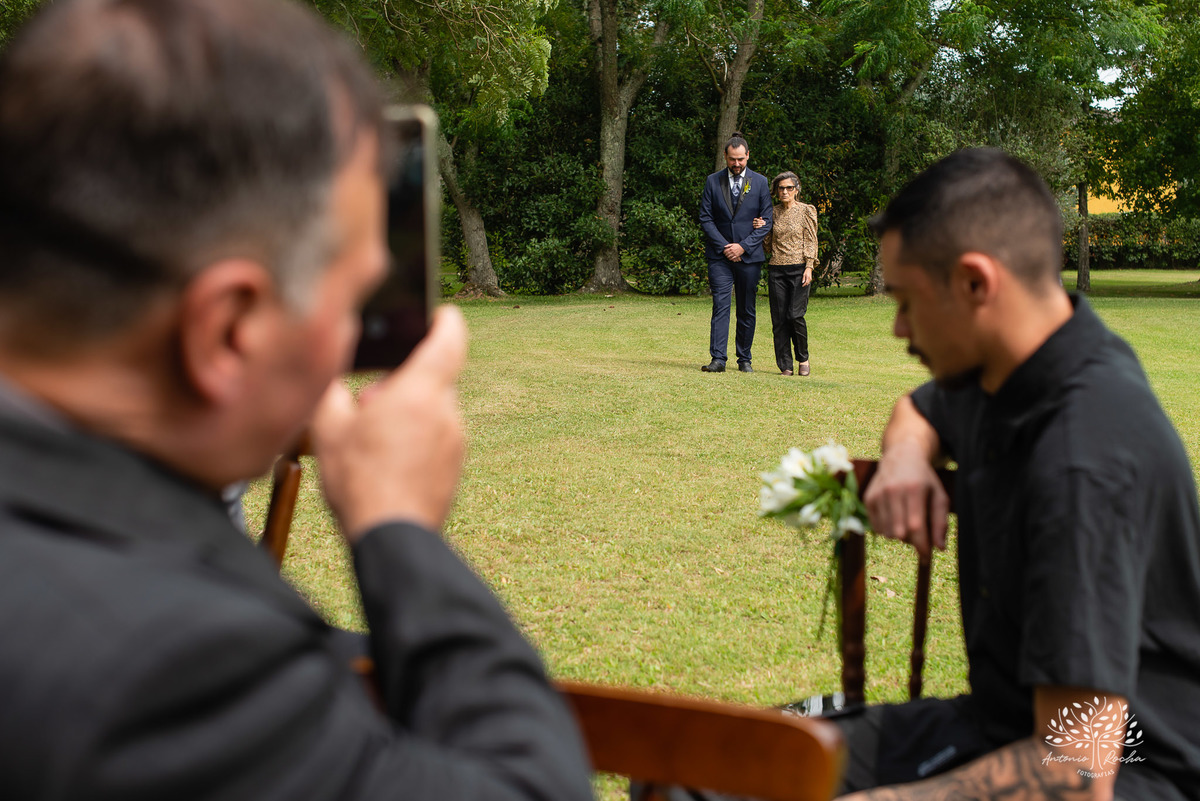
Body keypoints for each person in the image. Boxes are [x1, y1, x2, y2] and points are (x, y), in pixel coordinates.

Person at [0, 2, 593, 800]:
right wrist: (398, 528)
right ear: (230, 330)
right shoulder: (176, 668)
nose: (350, 342)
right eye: (350, 303)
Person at [839, 148, 1200, 799]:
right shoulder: (1016, 370)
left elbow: (1075, 771)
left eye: (906, 301)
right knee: (704, 766)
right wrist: (905, 452)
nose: (897, 328)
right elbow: (923, 407)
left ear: (977, 283)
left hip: (1131, 766)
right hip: (999, 727)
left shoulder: (1082, 460)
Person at [697, 132, 773, 373]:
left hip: (749, 256)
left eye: (741, 159)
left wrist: (743, 246)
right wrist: (725, 247)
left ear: (748, 156)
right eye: (732, 159)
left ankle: (745, 359)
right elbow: (706, 218)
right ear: (725, 157)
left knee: (746, 308)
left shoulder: (760, 182)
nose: (737, 164)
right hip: (719, 256)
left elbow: (767, 220)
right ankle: (718, 359)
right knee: (720, 306)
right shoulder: (712, 181)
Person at [755, 172, 818, 376]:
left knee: (795, 315)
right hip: (777, 270)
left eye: (789, 188)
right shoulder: (772, 213)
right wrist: (762, 229)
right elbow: (767, 246)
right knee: (780, 319)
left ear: (796, 190)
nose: (784, 191)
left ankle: (803, 358)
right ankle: (785, 365)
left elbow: (811, 239)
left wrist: (809, 266)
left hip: (799, 269)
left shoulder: (806, 211)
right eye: (781, 188)